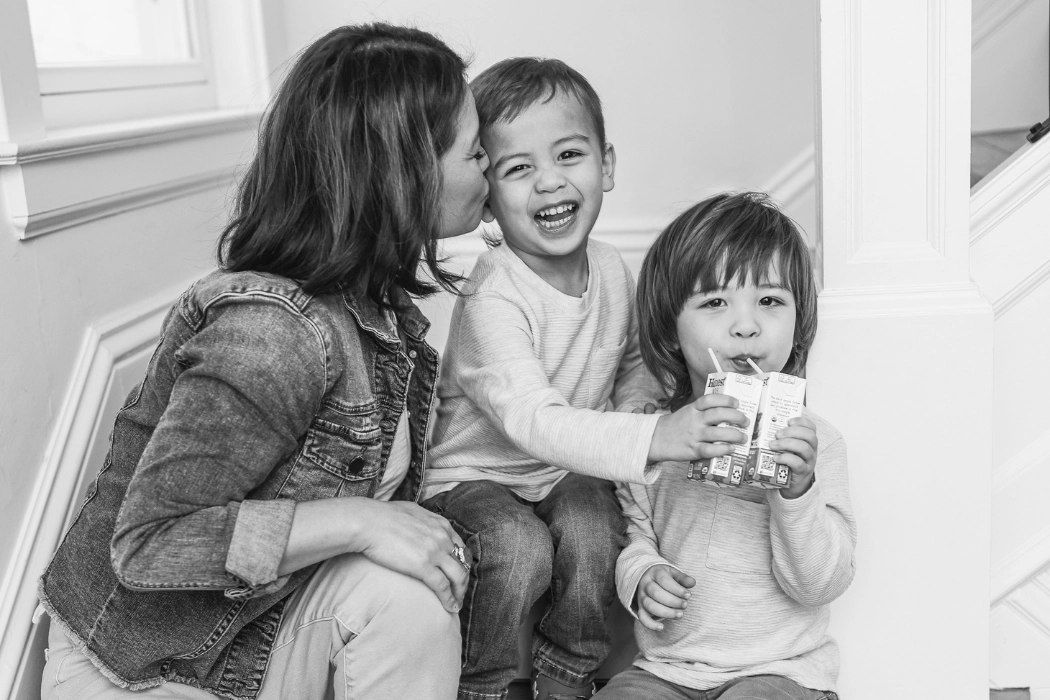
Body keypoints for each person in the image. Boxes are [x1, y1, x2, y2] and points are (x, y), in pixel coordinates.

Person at [37, 23, 490, 700]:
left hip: (252, 632)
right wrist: (362, 520)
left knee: (416, 588)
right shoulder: (274, 335)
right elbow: (151, 544)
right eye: (475, 152)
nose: (487, 165)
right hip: (145, 668)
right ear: (402, 173)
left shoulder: (378, 313)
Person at [421, 59, 748, 700]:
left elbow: (626, 366)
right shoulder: (495, 295)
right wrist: (657, 435)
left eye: (569, 154)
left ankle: (568, 677)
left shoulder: (610, 266)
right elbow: (533, 420)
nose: (549, 182)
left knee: (596, 528)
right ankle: (480, 684)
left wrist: (650, 410)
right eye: (518, 169)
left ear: (608, 165)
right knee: (517, 547)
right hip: (474, 479)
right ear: (487, 195)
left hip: (560, 472)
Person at [594, 192, 857, 700]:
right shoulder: (653, 438)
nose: (746, 324)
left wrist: (797, 490)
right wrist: (643, 576)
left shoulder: (818, 444)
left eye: (770, 301)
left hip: (782, 672)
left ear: (799, 320)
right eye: (715, 302)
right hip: (666, 671)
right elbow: (635, 539)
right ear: (671, 331)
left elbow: (821, 584)